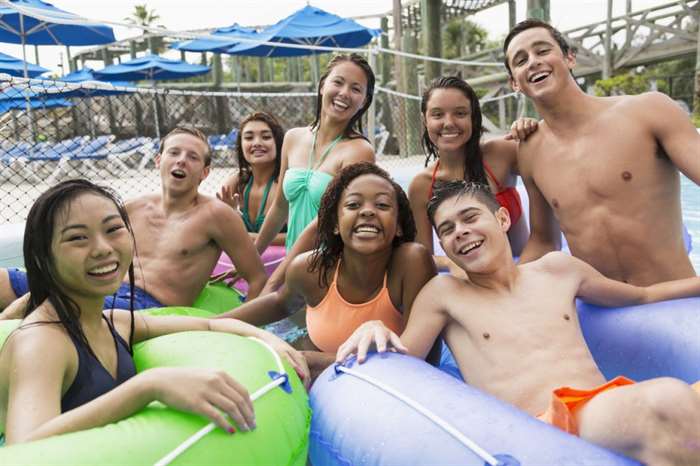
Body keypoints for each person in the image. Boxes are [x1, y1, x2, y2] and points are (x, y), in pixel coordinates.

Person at [337, 181, 700, 466]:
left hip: (605, 405)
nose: (459, 231)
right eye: (446, 229)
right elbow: (405, 360)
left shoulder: (558, 270)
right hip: (546, 427)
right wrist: (375, 328)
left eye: (470, 217)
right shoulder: (445, 294)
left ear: (502, 219)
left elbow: (642, 296)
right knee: (667, 399)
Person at [0, 180, 309, 445]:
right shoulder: (43, 341)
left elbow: (208, 325)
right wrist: (149, 386)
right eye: (78, 238)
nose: (103, 248)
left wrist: (265, 337)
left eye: (113, 229)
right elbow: (24, 446)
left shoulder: (113, 322)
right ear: (42, 258)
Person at [504, 19, 700, 285]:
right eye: (521, 60)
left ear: (569, 58)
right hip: (600, 308)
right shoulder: (530, 151)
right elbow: (544, 241)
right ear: (515, 82)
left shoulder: (648, 111)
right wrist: (505, 288)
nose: (533, 62)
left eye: (542, 50)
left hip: (672, 299)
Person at [0, 127, 267, 318]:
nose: (182, 160)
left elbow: (256, 278)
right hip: (103, 287)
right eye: (174, 153)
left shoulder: (217, 216)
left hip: (145, 304)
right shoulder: (131, 207)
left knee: (54, 303)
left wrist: (235, 325)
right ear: (159, 161)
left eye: (193, 157)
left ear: (205, 172)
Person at [218, 163, 436, 381]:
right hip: (318, 368)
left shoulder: (411, 263)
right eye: (353, 205)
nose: (368, 211)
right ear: (335, 224)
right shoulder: (310, 269)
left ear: (398, 225)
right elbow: (280, 303)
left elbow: (425, 359)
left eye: (382, 204)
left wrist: (315, 360)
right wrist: (213, 324)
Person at [253, 53, 376, 255]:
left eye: (355, 89)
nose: (344, 93)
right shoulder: (293, 138)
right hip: (294, 265)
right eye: (338, 82)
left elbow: (332, 219)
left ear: (363, 101)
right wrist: (252, 256)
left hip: (331, 264)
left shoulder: (359, 151)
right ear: (322, 86)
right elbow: (280, 207)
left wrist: (283, 274)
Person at [408, 76, 535, 268]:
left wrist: (534, 130)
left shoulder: (502, 154)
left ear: (473, 118)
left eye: (460, 113)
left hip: (525, 265)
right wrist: (451, 265)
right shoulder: (422, 185)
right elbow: (423, 256)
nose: (448, 123)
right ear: (425, 120)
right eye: (437, 114)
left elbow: (554, 162)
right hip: (472, 278)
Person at [217, 112, 286, 245]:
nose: (257, 143)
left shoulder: (286, 184)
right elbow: (216, 227)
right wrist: (231, 215)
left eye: (266, 137)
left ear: (278, 143)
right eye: (249, 138)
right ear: (241, 145)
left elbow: (298, 236)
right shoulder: (237, 182)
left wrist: (245, 236)